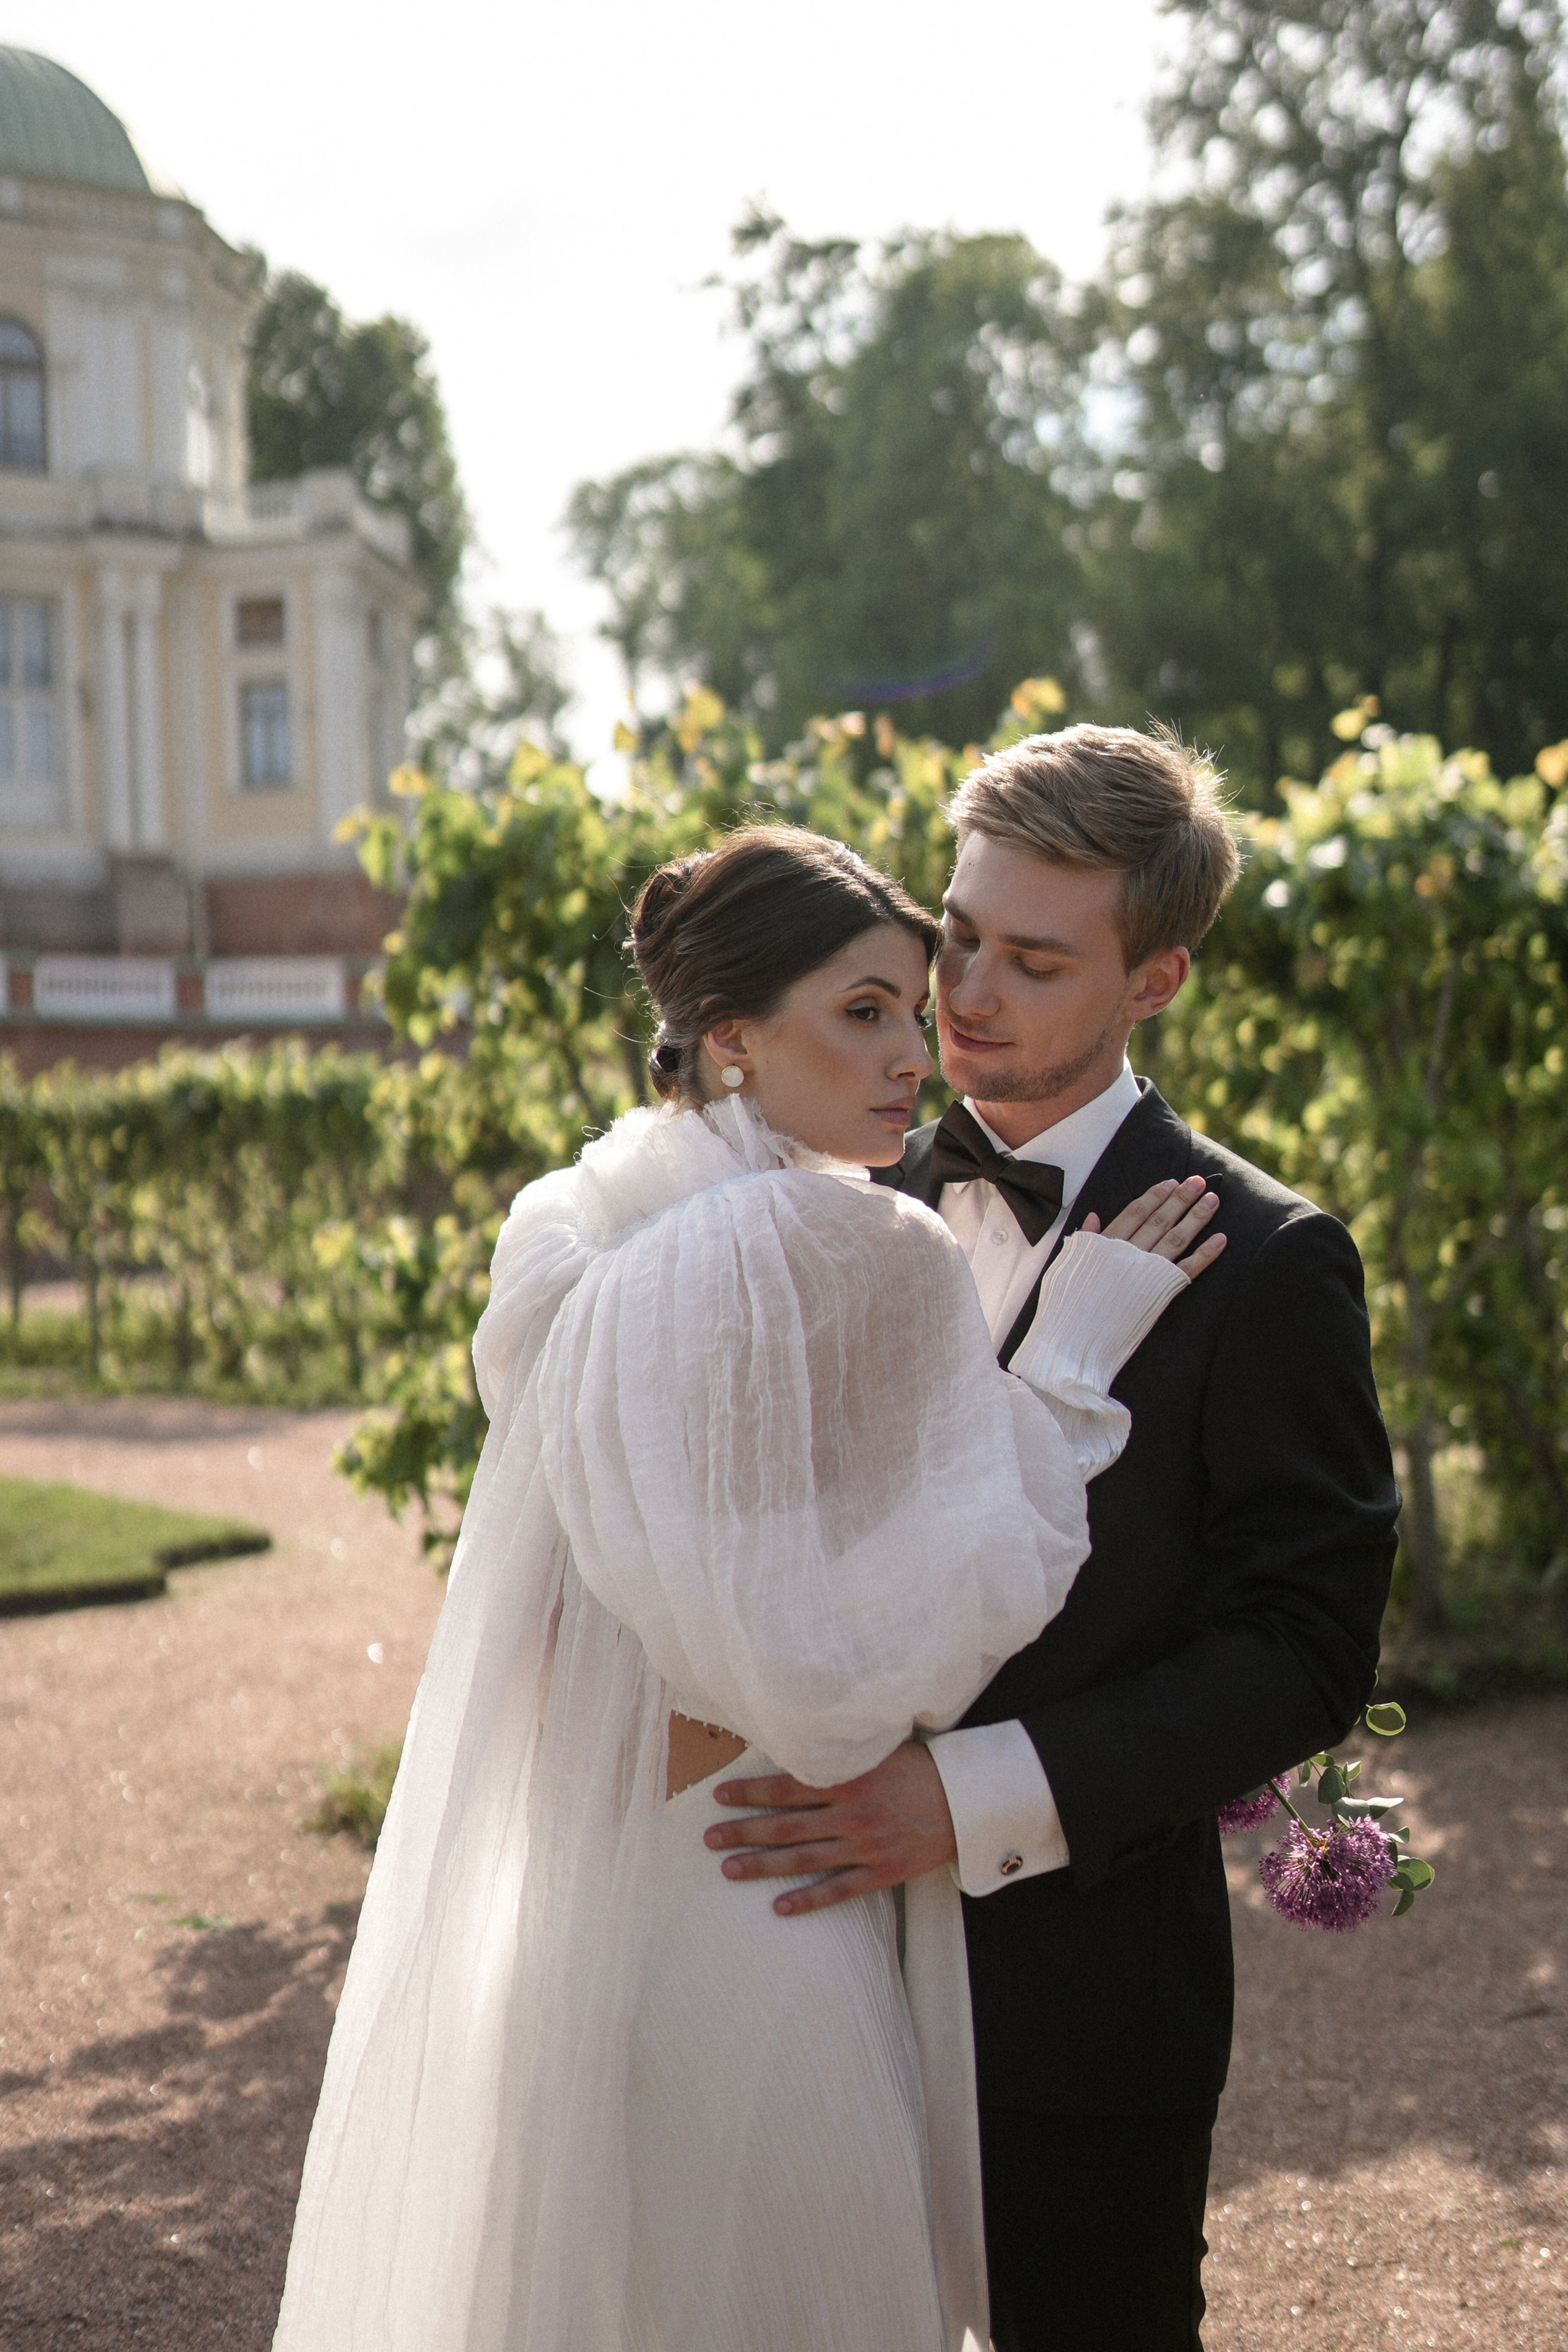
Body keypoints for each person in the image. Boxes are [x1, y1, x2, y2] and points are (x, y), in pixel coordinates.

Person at [271, 824, 1223, 2352]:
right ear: (728, 1039)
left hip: (581, 1923)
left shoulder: (567, 1226)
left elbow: (572, 1617)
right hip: (768, 1899)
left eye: (911, 1008)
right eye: (863, 1012)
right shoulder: (851, 1240)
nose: (915, 1052)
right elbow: (849, 1670)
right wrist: (1058, 1379)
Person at [706, 730, 1402, 2351]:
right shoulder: (819, 1188)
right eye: (956, 935)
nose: (967, 995)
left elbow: (1307, 1645)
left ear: (1157, 976)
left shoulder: (1272, 1263)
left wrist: (963, 1801)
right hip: (783, 1959)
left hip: (1082, 2000)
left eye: (1034, 960)